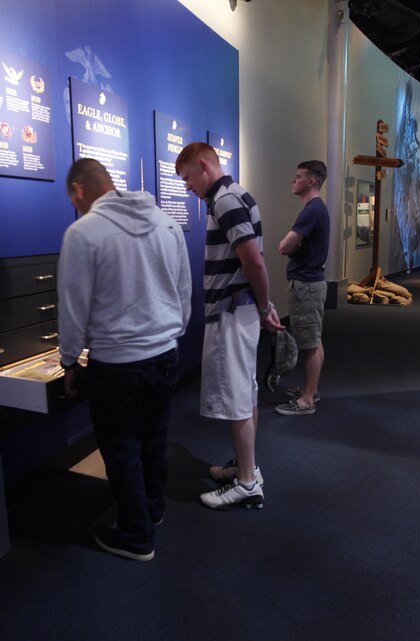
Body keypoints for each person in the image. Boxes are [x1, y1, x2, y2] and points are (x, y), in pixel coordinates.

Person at [57, 158, 192, 562]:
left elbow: (73, 306)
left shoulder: (84, 233)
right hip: (165, 353)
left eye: (72, 200)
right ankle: (153, 509)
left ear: (79, 191)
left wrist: (68, 361)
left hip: (116, 362)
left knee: (121, 449)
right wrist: (170, 334)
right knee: (153, 438)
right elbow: (184, 291)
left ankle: (136, 536)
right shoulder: (167, 224)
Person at [174, 142, 283, 511]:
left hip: (232, 311)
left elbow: (254, 263)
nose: (187, 186)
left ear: (204, 165)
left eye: (188, 177)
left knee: (237, 397)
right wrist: (262, 306)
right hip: (242, 309)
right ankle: (245, 466)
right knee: (246, 392)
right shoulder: (238, 195)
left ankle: (248, 483)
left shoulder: (224, 200)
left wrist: (265, 304)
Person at [275, 160, 329, 417]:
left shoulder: (312, 210)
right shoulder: (316, 209)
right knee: (313, 341)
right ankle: (311, 389)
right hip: (311, 283)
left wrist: (293, 247)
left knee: (309, 343)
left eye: (298, 176)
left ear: (312, 181)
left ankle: (307, 400)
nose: (292, 180)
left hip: (306, 285)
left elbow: (284, 246)